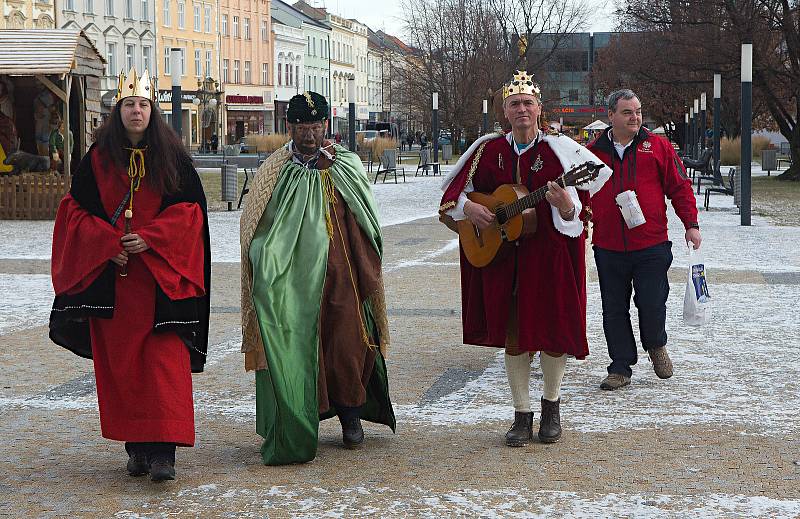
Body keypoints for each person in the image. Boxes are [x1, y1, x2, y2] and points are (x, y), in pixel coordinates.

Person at [49, 67, 211, 481]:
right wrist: (107, 245)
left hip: (162, 283)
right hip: (117, 287)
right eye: (128, 105)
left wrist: (152, 238)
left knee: (163, 365)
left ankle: (164, 454)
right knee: (124, 369)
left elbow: (191, 216)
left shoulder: (172, 159)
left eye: (142, 104)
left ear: (152, 111)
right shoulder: (97, 160)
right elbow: (74, 214)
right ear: (117, 111)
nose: (136, 111)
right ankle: (137, 447)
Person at [439, 71, 610, 447]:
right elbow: (454, 193)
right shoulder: (487, 150)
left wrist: (567, 206)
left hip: (548, 256)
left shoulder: (559, 151)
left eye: (528, 103)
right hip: (503, 258)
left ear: (539, 109)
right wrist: (472, 208)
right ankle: (521, 414)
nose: (522, 109)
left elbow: (582, 207)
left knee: (552, 333)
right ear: (505, 111)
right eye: (514, 103)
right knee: (514, 338)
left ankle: (551, 406)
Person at [240, 91, 395, 465]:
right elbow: (257, 224)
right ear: (289, 127)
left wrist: (365, 265)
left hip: (343, 274)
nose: (309, 135)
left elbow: (366, 219)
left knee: (347, 341)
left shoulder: (346, 165)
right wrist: (264, 262)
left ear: (326, 125)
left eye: (315, 126)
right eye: (301, 127)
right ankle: (300, 414)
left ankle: (351, 415)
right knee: (299, 345)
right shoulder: (275, 171)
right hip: (293, 278)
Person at [587, 89, 701, 391]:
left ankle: (656, 345)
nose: (635, 117)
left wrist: (690, 223)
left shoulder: (658, 146)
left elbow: (679, 187)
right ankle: (620, 367)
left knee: (651, 302)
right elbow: (579, 194)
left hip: (651, 244)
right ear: (611, 116)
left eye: (638, 111)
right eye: (628, 112)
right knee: (613, 308)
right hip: (609, 246)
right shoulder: (592, 152)